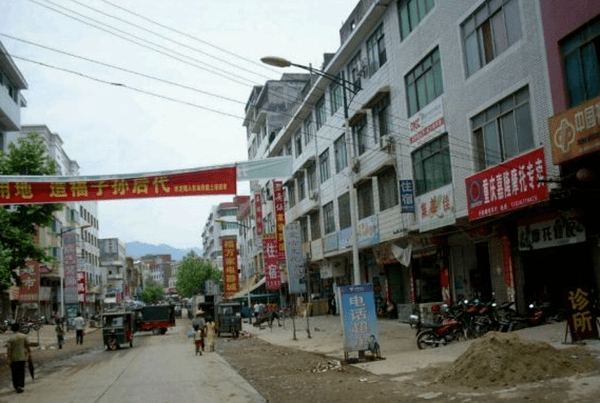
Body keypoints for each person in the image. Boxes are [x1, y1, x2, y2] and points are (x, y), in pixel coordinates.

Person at [7, 322, 31, 393]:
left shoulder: (10, 338)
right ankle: (21, 385)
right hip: (22, 357)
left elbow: (9, 350)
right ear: (19, 328)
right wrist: (29, 355)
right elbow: (27, 346)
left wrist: (9, 359)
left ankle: (16, 386)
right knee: (21, 371)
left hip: (14, 358)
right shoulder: (24, 336)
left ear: (12, 329)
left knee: (14, 373)